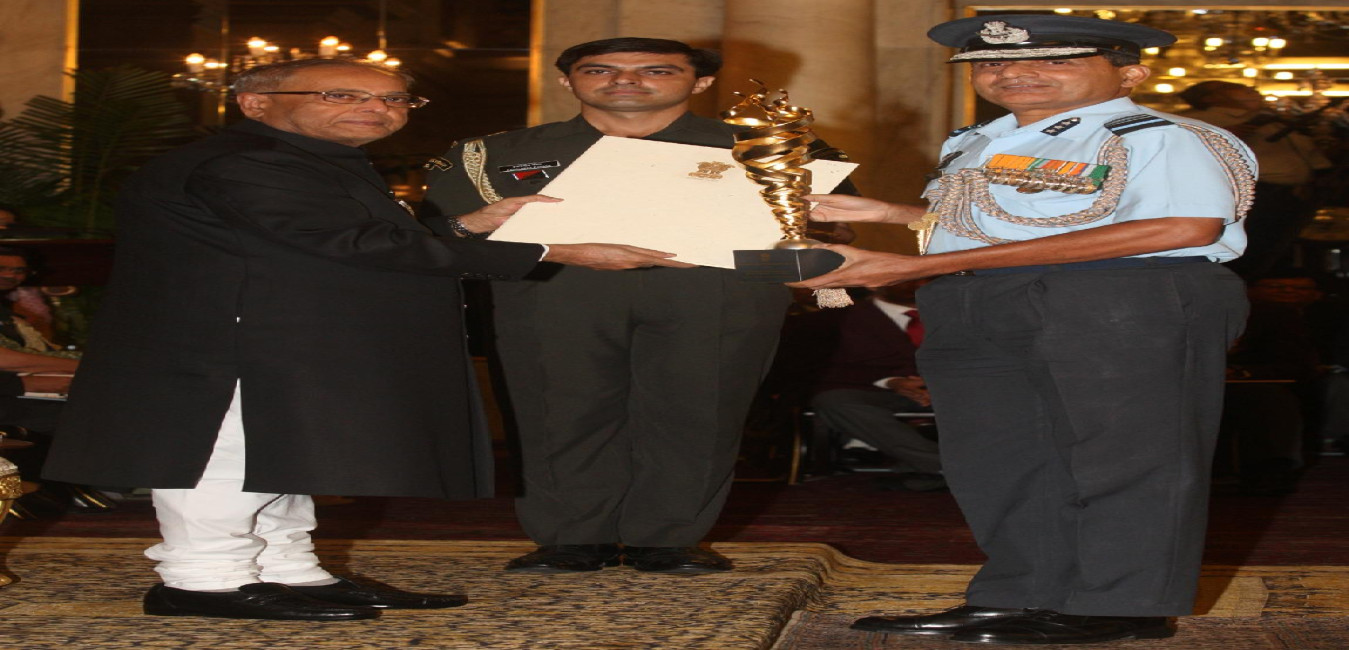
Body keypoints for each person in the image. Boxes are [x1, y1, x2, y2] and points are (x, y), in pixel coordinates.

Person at [41, 58, 689, 622]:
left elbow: (338, 243)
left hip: (276, 338)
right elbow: (354, 245)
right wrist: (555, 250)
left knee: (279, 458)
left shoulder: (299, 159)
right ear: (255, 102)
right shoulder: (243, 163)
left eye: (393, 98)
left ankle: (288, 571)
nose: (376, 108)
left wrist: (469, 224)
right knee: (226, 459)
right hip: (223, 345)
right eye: (341, 95)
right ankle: (201, 579)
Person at [792, 15, 1256, 645]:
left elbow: (1181, 228)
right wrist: (891, 213)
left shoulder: (1162, 137)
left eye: (1054, 61)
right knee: (999, 455)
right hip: (978, 296)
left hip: (1120, 296)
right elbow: (1013, 220)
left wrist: (916, 267)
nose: (1013, 72)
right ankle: (1023, 593)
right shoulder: (979, 139)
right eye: (991, 63)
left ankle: (1121, 604)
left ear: (1130, 73)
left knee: (1123, 455)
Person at [422, 37, 849, 575]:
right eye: (599, 70)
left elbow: (837, 227)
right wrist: (473, 226)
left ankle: (669, 539)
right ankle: (572, 537)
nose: (625, 80)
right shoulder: (491, 152)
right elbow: (435, 235)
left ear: (701, 82)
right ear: (566, 80)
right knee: (558, 412)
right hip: (553, 291)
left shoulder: (774, 146)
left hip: (717, 291)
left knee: (700, 411)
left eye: (656, 70)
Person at [1179, 81, 1332, 279]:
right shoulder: (1197, 120)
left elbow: (1311, 155)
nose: (1250, 91)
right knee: (1252, 253)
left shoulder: (1273, 120)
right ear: (1210, 98)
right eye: (1233, 88)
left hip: (1293, 196)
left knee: (1283, 252)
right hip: (1254, 196)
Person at [806, 281, 945, 490]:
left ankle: (942, 469)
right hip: (877, 389)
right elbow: (830, 367)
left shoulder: (957, 311)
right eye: (904, 277)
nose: (917, 282)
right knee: (834, 401)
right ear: (874, 284)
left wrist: (940, 381)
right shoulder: (843, 317)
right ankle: (944, 466)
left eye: (924, 276)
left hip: (955, 388)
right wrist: (893, 381)